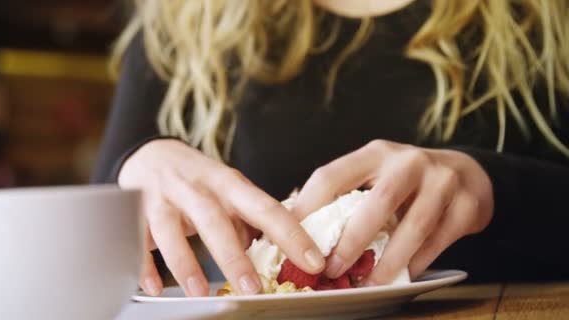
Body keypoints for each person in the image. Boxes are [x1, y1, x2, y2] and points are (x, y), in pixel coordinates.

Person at [93, 0, 569, 297]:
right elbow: (95, 252)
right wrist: (134, 166)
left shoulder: (547, 16)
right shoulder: (182, 17)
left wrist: (495, 186)